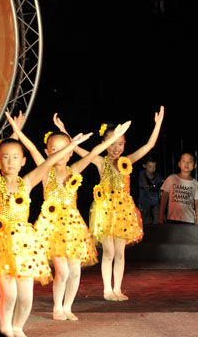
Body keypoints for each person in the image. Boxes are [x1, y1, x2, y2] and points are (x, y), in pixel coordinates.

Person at [0, 118, 91, 337]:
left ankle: (17, 327)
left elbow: (49, 161)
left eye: (15, 157)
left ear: (23, 161)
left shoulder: (27, 182)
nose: (10, 162)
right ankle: (6, 328)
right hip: (1, 245)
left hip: (25, 246)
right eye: (5, 157)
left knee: (26, 298)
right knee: (10, 295)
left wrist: (72, 145)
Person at [8, 111, 127, 321]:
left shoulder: (74, 169)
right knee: (61, 271)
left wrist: (113, 138)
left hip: (73, 227)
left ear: (70, 152)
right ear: (48, 152)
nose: (60, 153)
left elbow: (94, 152)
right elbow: (33, 149)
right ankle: (57, 308)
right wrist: (17, 130)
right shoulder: (46, 170)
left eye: (64, 149)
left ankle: (68, 306)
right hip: (51, 226)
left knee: (75, 271)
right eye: (54, 149)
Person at [80, 107, 164, 302]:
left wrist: (158, 124)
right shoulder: (100, 161)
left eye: (120, 143)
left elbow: (149, 145)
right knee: (108, 252)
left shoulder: (128, 160)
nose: (116, 148)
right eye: (112, 143)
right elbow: (79, 151)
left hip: (124, 211)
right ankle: (107, 290)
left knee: (120, 253)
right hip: (105, 211)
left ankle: (117, 289)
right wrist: (67, 134)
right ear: (105, 144)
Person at [160, 152, 198, 225]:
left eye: (190, 161)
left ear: (195, 165)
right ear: (179, 164)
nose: (186, 163)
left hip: (189, 219)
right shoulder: (171, 178)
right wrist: (161, 214)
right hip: (172, 218)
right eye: (184, 161)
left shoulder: (195, 184)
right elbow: (164, 197)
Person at [137, 157, 164, 224]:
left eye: (154, 167)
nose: (152, 169)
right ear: (144, 166)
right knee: (145, 220)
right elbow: (145, 183)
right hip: (144, 201)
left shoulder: (157, 176)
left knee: (157, 218)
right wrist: (147, 185)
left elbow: (162, 182)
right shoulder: (142, 174)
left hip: (155, 202)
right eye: (150, 167)